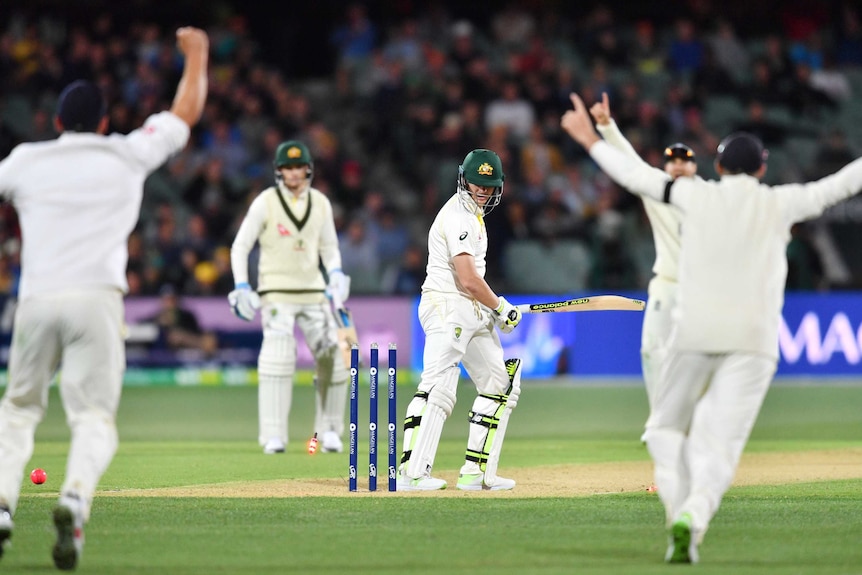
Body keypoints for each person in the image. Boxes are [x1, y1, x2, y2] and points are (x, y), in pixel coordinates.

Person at [561, 92, 862, 564]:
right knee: (720, 446)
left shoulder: (692, 195)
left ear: (717, 168)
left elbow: (636, 176)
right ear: (762, 169)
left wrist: (590, 139)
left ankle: (676, 516)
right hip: (755, 342)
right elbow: (840, 185)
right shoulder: (782, 202)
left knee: (663, 428)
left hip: (695, 328)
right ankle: (694, 518)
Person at [0, 27, 209, 570]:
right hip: (97, 299)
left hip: (37, 298)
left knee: (19, 410)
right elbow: (184, 113)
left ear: (54, 123)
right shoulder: (126, 154)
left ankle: (2, 507)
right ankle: (74, 497)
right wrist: (197, 54)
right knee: (93, 417)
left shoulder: (25, 159)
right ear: (103, 123)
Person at [398, 148, 523, 492]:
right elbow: (468, 278)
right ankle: (410, 474)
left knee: (500, 383)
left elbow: (472, 284)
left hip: (469, 308)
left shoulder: (475, 215)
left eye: (489, 185)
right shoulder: (458, 215)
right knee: (439, 386)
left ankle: (476, 473)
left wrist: (493, 309)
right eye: (477, 183)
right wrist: (500, 308)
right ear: (463, 179)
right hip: (446, 304)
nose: (482, 190)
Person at [229, 140, 351, 456]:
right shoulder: (265, 202)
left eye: (298, 167)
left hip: (314, 292)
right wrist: (242, 285)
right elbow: (240, 246)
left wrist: (335, 273)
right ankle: (273, 436)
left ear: (308, 169)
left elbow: (329, 248)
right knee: (279, 354)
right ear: (279, 171)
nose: (293, 174)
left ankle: (330, 432)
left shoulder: (321, 203)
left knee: (336, 355)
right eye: (287, 168)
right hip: (276, 292)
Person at [588, 93, 698, 429]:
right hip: (666, 286)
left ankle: (693, 436)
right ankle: (662, 427)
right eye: (672, 161)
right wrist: (608, 128)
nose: (678, 165)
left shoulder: (710, 197)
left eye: (685, 160)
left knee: (696, 367)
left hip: (699, 292)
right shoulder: (658, 191)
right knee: (652, 351)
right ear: (666, 167)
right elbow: (630, 163)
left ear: (695, 166)